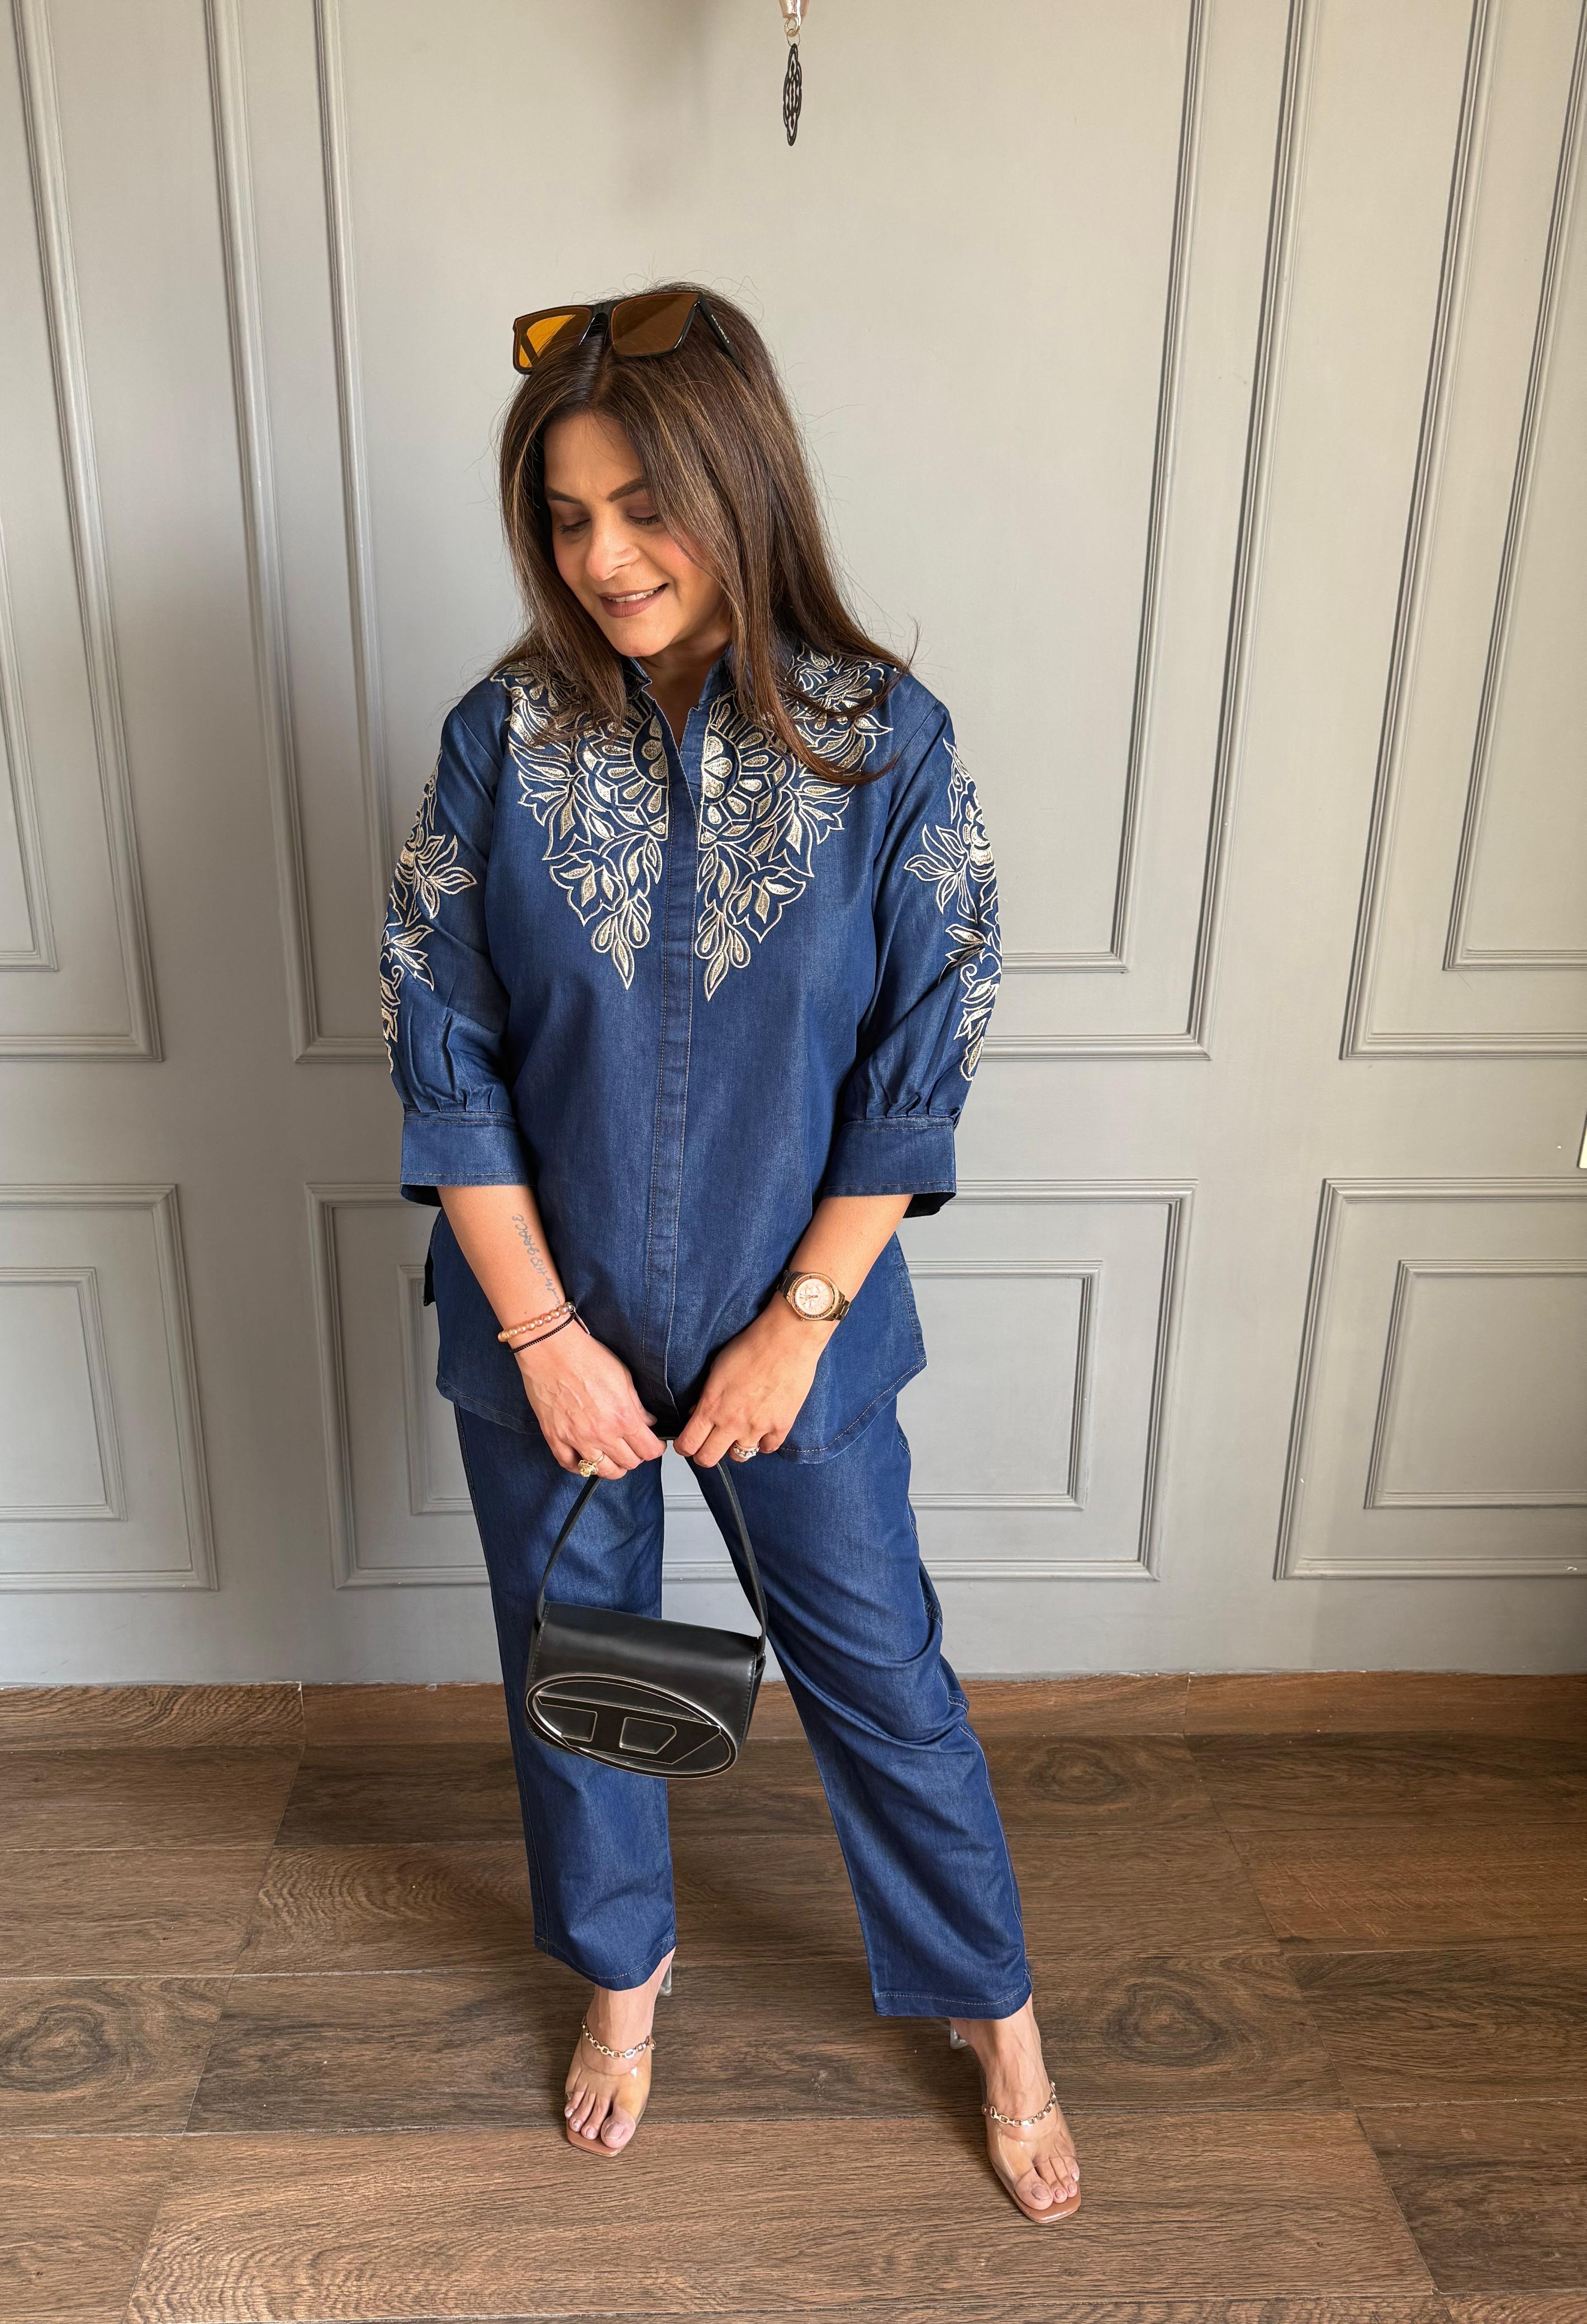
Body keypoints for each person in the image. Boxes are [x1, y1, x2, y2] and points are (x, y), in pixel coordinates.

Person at [378, 283, 1081, 2221]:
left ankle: (1000, 2023)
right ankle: (626, 1986)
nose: (602, 557)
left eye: (643, 508)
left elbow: (922, 1063)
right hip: (548, 1327)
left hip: (804, 1331)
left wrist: (798, 1326)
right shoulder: (500, 741)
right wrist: (545, 1338)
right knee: (589, 1674)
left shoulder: (885, 742)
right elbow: (445, 1054)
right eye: (564, 517)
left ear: (741, 486)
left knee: (881, 1676)